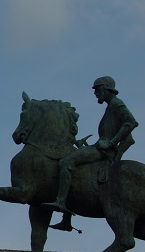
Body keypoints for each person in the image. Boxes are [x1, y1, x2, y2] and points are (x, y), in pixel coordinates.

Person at [44, 76, 138, 220]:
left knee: (65, 162)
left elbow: (131, 122)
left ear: (105, 88)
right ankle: (66, 219)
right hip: (100, 147)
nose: (95, 94)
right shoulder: (111, 106)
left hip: (103, 150)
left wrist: (111, 143)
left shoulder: (116, 104)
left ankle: (60, 202)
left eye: (97, 90)